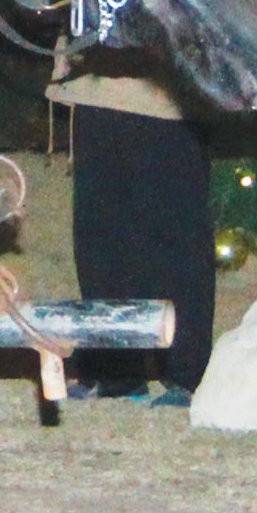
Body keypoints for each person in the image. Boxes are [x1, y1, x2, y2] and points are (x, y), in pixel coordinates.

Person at [48, 45, 218, 399]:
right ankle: (115, 371)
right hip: (97, 84)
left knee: (177, 236)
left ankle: (187, 372)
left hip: (170, 93)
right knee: (102, 237)